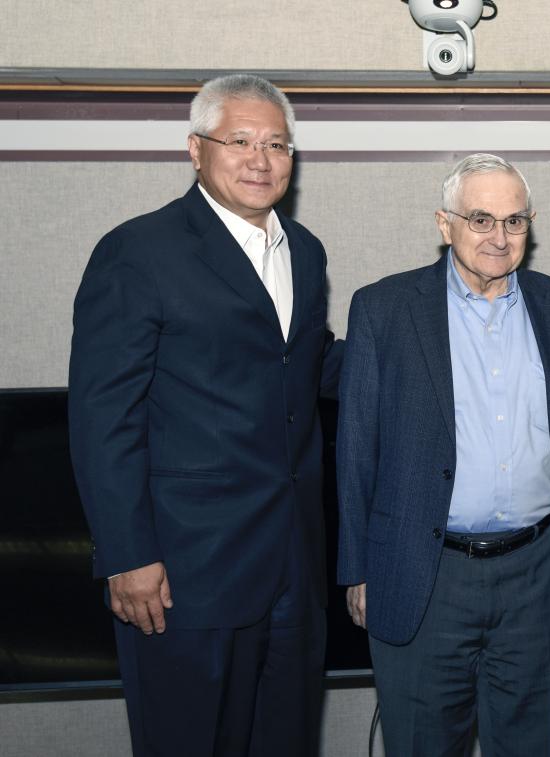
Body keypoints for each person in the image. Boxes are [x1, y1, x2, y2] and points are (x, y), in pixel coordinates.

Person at [68, 74, 341, 756]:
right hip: (183, 575)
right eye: (240, 140)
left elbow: (304, 366)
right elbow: (105, 417)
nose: (261, 159)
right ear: (195, 149)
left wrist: (425, 336)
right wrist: (127, 555)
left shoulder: (303, 251)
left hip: (291, 564)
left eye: (277, 144)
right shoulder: (139, 252)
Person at [336, 153, 550, 756]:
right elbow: (355, 453)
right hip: (425, 574)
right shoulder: (384, 311)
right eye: (480, 219)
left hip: (537, 576)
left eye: (514, 221)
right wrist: (357, 567)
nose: (498, 238)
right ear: (444, 223)